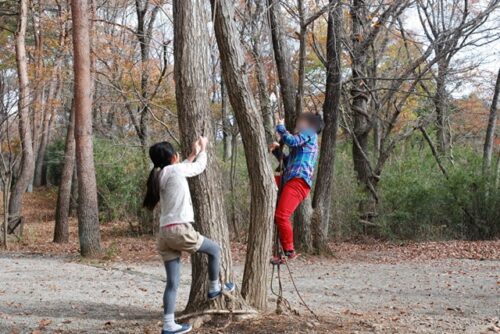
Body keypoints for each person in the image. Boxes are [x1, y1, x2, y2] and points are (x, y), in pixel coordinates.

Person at [143, 136, 234, 334]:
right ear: (174, 157)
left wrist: (192, 153)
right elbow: (198, 167)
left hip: (165, 234)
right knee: (215, 249)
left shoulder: (161, 174)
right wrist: (203, 149)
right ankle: (214, 288)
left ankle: (169, 325)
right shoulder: (175, 170)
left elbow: (182, 167)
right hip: (180, 230)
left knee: (172, 283)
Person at [269, 113, 323, 263]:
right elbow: (288, 163)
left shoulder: (309, 133)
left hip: (298, 181)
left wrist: (280, 126)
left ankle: (289, 251)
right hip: (291, 179)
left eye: (300, 121)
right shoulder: (302, 144)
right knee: (277, 213)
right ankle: (282, 251)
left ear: (310, 124)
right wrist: (277, 152)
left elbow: (292, 141)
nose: (298, 124)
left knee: (281, 216)